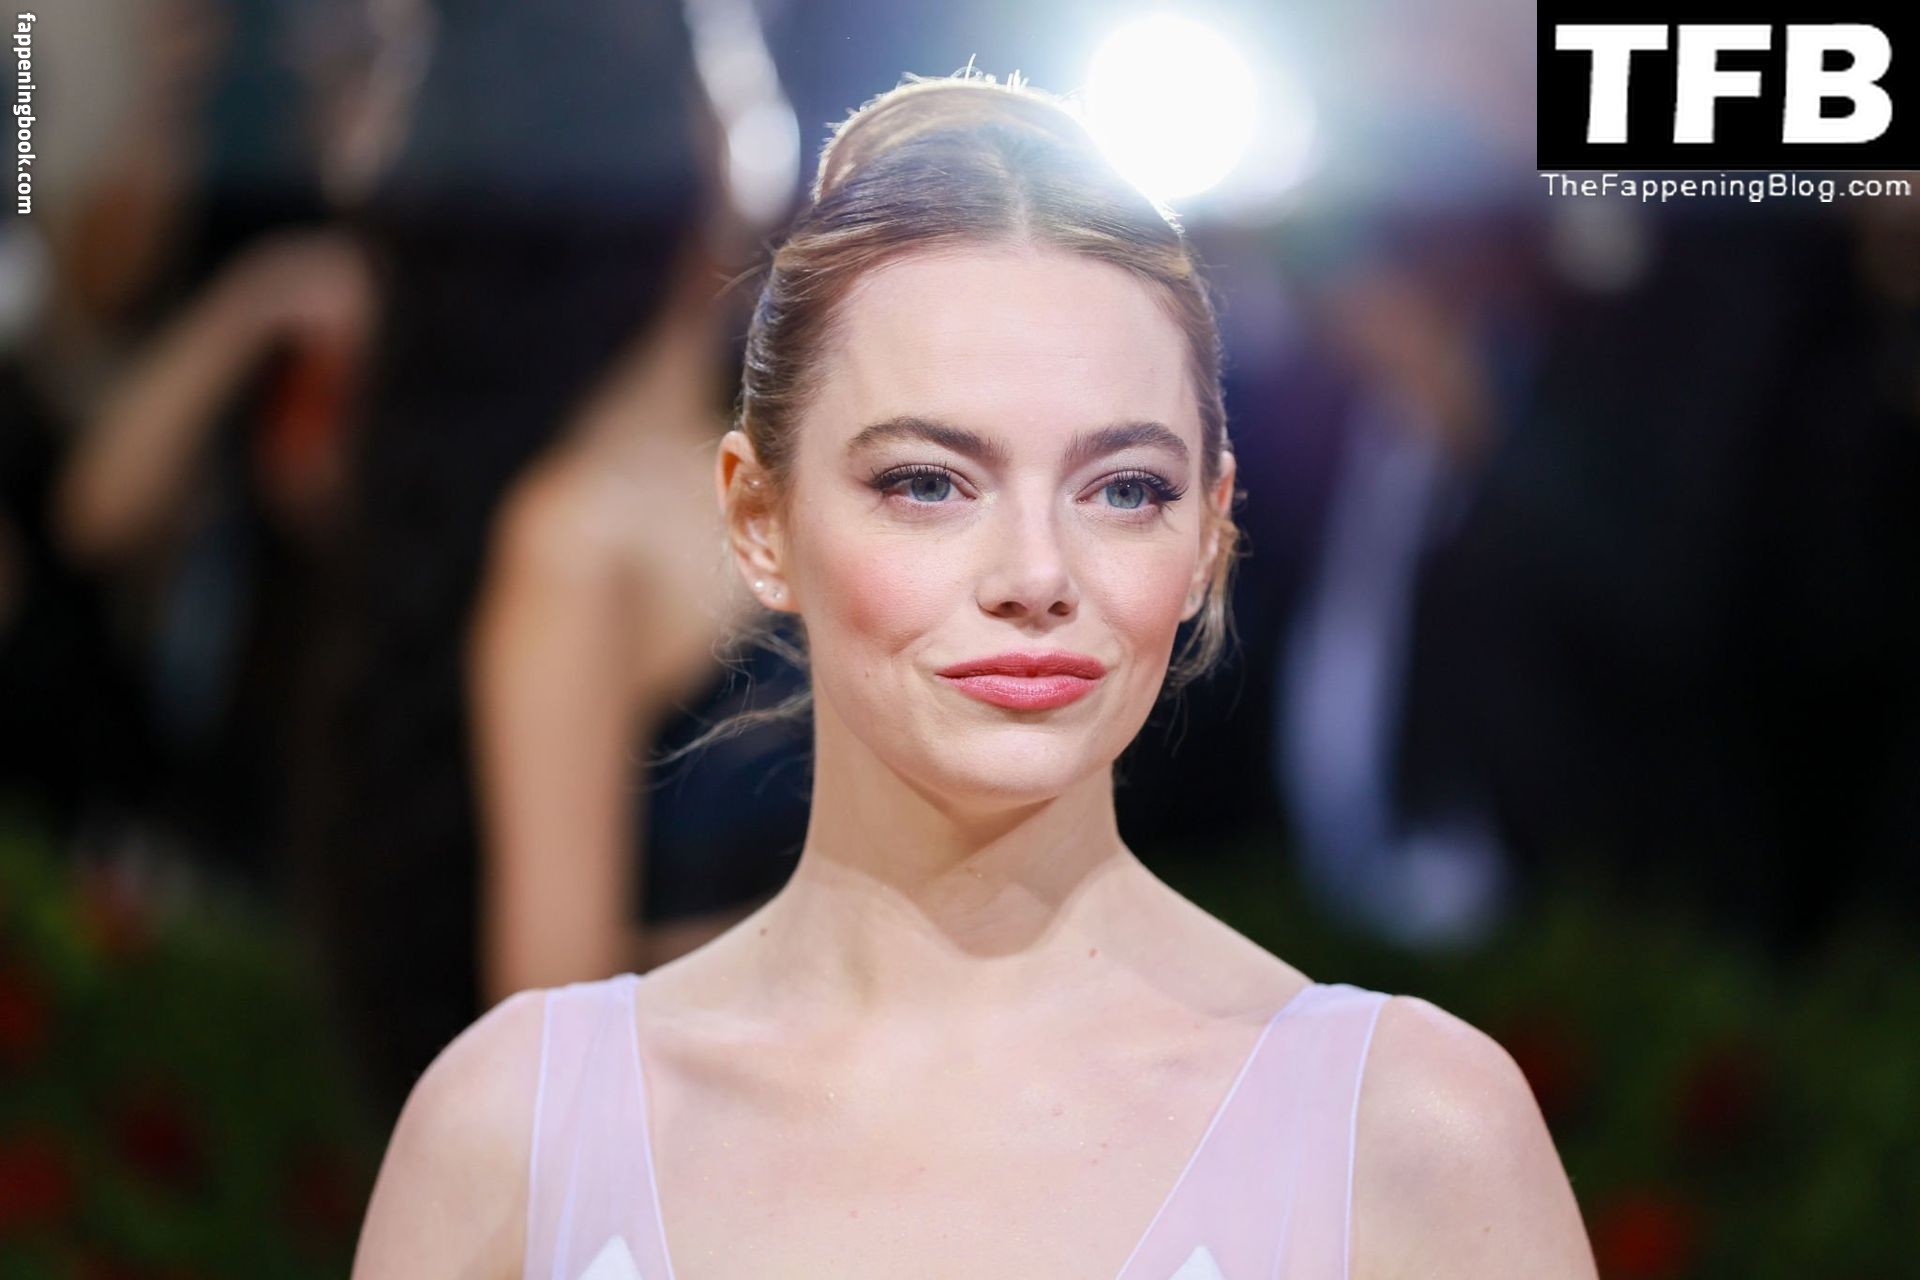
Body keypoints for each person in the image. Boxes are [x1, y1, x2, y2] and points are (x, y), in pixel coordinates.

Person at [351, 73, 1596, 1279]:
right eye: (928, 482)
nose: (1036, 574)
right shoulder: (507, 1131)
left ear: (1211, 533)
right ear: (758, 520)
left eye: (1124, 488)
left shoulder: (1413, 1135)